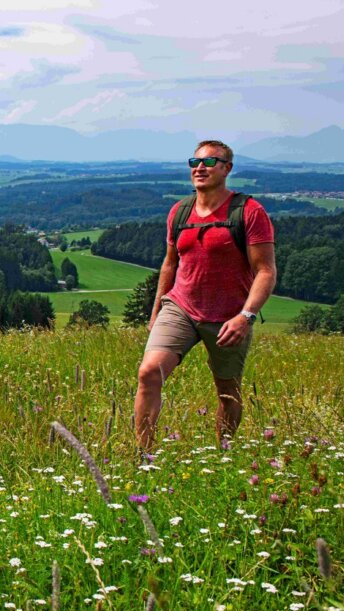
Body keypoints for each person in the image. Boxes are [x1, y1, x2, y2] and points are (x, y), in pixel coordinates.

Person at [134, 140, 276, 454]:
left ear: (227, 168)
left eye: (211, 162)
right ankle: (142, 457)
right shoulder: (180, 212)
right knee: (148, 373)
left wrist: (246, 316)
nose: (201, 168)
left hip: (229, 315)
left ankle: (224, 454)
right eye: (195, 162)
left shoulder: (249, 212)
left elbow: (266, 271)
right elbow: (170, 263)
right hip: (181, 307)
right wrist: (156, 311)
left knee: (226, 390)